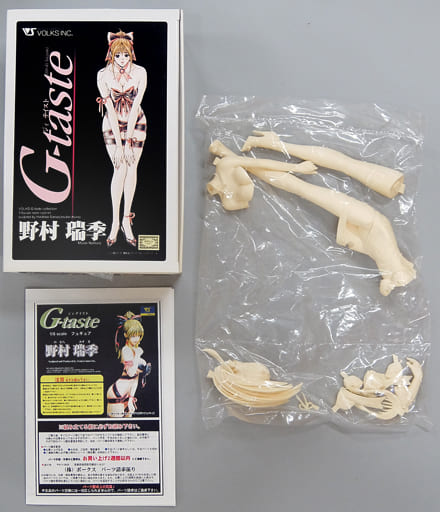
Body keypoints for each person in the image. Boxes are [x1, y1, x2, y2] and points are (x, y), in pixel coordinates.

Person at [97, 31, 147, 247]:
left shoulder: (141, 72)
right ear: (111, 54)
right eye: (118, 55)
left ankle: (127, 219)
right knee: (120, 168)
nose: (122, 60)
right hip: (112, 125)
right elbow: (109, 109)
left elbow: (136, 107)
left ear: (131, 53)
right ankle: (115, 222)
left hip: (137, 122)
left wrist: (128, 143)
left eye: (125, 55)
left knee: (132, 167)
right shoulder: (103, 75)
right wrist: (120, 145)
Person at [106, 311, 151, 417]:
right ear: (126, 335)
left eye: (138, 336)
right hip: (117, 392)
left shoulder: (135, 350)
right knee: (116, 425)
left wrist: (131, 398)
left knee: (127, 424)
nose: (136, 339)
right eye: (133, 336)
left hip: (128, 394)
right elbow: (131, 373)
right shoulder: (126, 350)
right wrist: (137, 355)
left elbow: (135, 378)